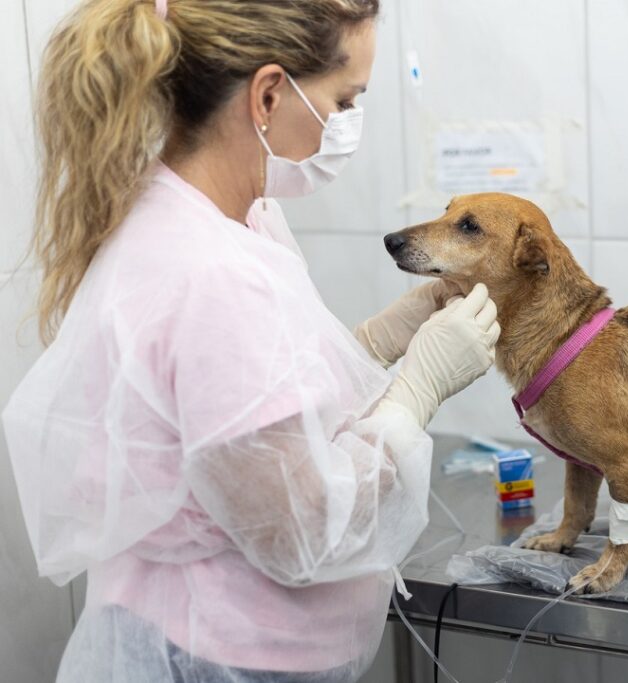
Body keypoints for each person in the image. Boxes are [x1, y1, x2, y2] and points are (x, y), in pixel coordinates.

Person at [1, 0, 499, 680]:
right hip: (206, 655)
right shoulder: (208, 273)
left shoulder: (232, 218)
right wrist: (417, 392)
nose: (347, 123)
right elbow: (301, 529)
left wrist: (381, 337)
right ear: (269, 94)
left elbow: (254, 413)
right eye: (344, 99)